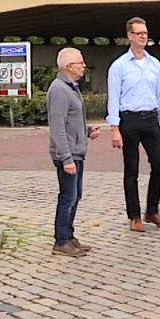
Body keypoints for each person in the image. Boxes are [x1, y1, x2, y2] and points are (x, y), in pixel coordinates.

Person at [106, 17, 160, 232]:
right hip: (129, 119)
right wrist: (115, 128)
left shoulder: (154, 64)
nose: (144, 36)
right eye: (139, 33)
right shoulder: (119, 66)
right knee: (131, 169)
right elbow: (114, 98)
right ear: (130, 36)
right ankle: (134, 215)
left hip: (151, 118)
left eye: (145, 33)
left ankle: (152, 210)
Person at [48, 47, 100, 256]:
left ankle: (68, 235)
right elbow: (57, 126)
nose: (84, 66)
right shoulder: (60, 89)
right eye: (80, 63)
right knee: (68, 196)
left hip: (76, 151)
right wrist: (66, 158)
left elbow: (71, 120)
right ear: (69, 67)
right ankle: (61, 240)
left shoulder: (70, 87)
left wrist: (86, 131)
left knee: (75, 195)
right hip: (67, 154)